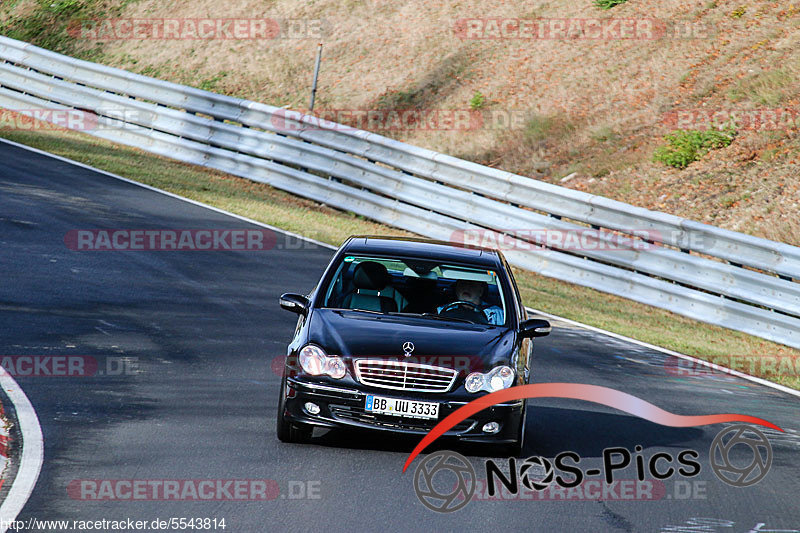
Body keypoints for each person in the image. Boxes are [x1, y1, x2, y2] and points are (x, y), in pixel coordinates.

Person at [437, 279, 504, 325]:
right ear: (456, 289)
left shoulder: (497, 314)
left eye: (471, 284)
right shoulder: (442, 311)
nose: (466, 288)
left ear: (481, 291)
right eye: (462, 284)